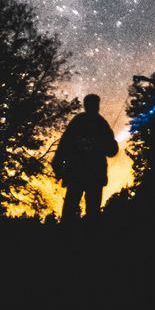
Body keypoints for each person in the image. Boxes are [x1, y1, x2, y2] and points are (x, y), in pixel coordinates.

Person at [52, 93, 118, 222]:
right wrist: (111, 144)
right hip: (94, 176)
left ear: (85, 105)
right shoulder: (102, 124)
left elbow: (63, 146)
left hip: (75, 174)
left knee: (69, 211)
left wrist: (58, 168)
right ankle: (89, 240)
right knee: (92, 213)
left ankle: (64, 239)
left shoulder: (77, 122)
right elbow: (111, 151)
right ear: (97, 106)